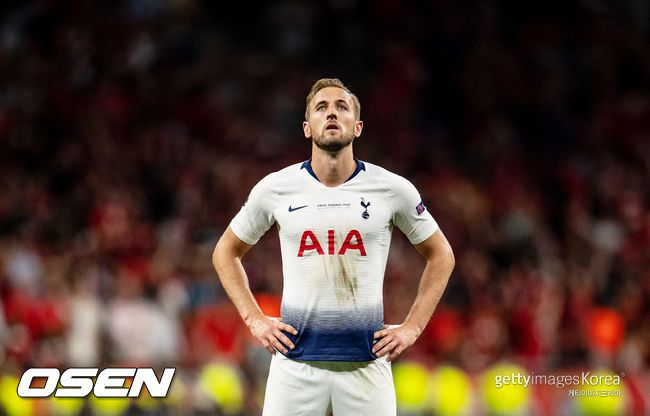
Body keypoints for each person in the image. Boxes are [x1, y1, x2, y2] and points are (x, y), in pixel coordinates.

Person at [213, 78, 455, 416]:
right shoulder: (276, 188)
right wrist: (254, 320)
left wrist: (413, 326)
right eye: (321, 108)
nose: (331, 113)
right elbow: (225, 252)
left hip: (366, 365)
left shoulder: (391, 188)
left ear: (357, 127)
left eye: (342, 107)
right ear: (307, 128)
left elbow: (441, 254)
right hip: (295, 367)